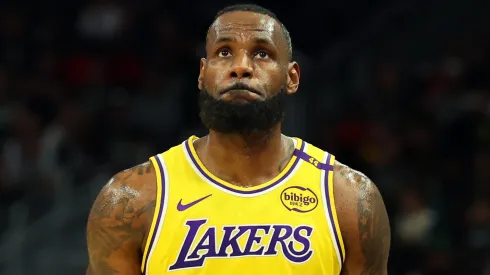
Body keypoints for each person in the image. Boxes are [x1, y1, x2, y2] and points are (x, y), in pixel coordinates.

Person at [86, 4, 391, 275]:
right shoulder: (131, 199)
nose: (241, 66)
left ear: (292, 77)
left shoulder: (349, 200)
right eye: (224, 52)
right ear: (203, 74)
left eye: (262, 53)